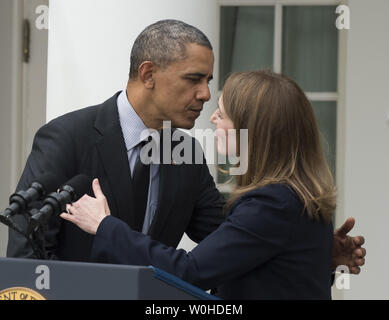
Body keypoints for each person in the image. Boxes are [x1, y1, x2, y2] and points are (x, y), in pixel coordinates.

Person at [7, 20, 365, 276]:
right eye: (194, 79)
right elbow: (27, 250)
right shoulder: (67, 137)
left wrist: (306, 248)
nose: (206, 94)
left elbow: (231, 240)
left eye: (208, 80)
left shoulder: (186, 152)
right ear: (148, 75)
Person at [62, 70, 361, 299]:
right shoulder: (296, 196)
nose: (214, 117)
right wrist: (323, 257)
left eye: (224, 112)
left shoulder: (273, 203)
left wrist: (104, 225)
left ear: (252, 131)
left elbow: (190, 271)